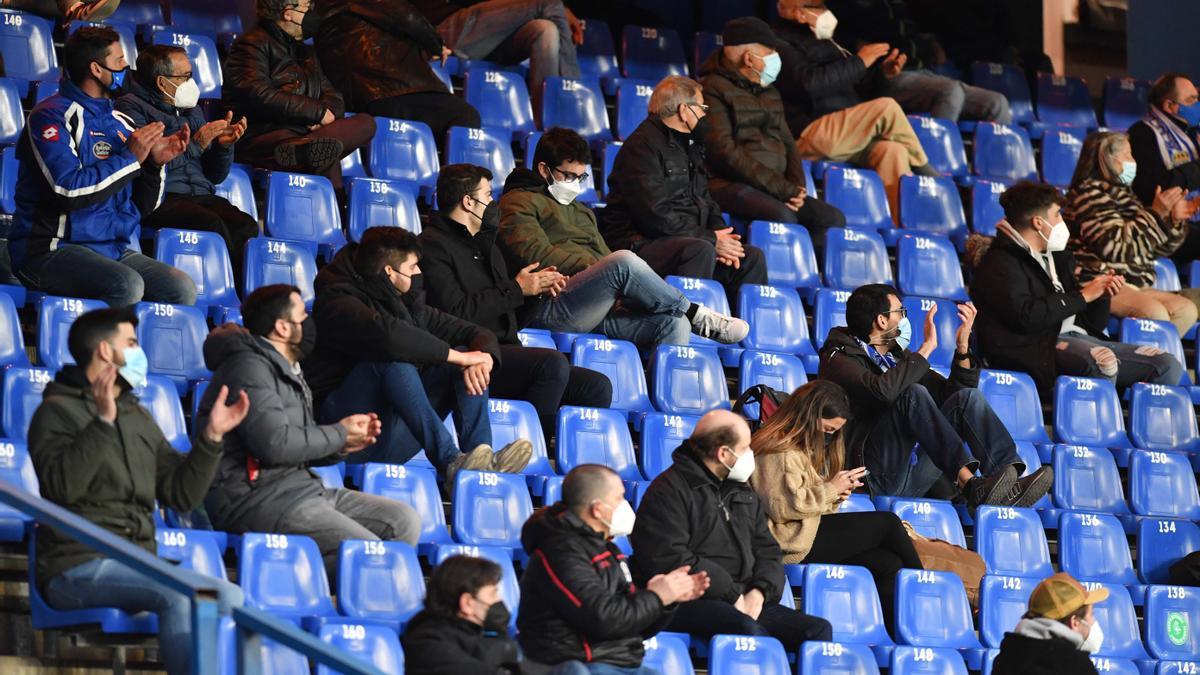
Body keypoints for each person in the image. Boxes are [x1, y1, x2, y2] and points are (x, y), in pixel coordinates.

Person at [29, 308, 248, 675]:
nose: (138, 351)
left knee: (231, 595)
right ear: (103, 351)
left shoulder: (138, 417)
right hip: (76, 566)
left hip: (137, 561)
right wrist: (102, 422)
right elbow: (62, 489)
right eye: (130, 343)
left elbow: (180, 494)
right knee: (181, 593)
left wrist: (210, 438)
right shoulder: (55, 412)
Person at [198, 284, 422, 581]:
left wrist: (345, 444)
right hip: (256, 499)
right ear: (282, 327)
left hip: (300, 488)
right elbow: (274, 445)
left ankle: (367, 602)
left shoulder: (287, 367)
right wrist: (339, 434)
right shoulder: (248, 369)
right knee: (367, 553)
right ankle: (275, 581)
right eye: (303, 314)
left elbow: (296, 443)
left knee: (402, 520)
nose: (309, 321)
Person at [304, 226, 534, 483]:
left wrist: (485, 357)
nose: (419, 274)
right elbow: (389, 335)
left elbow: (475, 331)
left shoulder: (406, 303)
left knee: (467, 353)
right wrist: (459, 358)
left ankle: (479, 462)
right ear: (389, 272)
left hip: (389, 433)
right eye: (413, 267)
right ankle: (450, 461)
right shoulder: (338, 302)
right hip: (343, 435)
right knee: (393, 361)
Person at [495, 128, 751, 347]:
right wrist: (597, 271)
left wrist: (604, 278)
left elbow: (603, 255)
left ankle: (663, 401)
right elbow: (537, 255)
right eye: (568, 176)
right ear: (544, 169)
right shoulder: (517, 202)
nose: (575, 184)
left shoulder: (581, 210)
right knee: (623, 262)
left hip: (595, 306)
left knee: (674, 324)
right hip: (551, 304)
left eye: (581, 177)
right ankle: (695, 312)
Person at [420, 162, 613, 439]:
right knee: (551, 364)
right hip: (472, 356)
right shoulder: (432, 246)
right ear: (468, 202)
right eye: (487, 195)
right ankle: (532, 449)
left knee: (596, 385)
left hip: (506, 350)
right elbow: (455, 313)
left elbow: (509, 315)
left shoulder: (488, 243)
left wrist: (537, 291)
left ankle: (565, 463)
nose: (493, 202)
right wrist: (518, 289)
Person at [10, 26, 197, 308]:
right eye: (120, 61)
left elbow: (143, 207)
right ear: (97, 70)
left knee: (180, 288)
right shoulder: (50, 116)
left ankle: (137, 351)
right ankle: (106, 351)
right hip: (50, 249)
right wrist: (130, 158)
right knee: (126, 285)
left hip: (110, 248)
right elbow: (66, 189)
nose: (127, 67)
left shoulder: (121, 122)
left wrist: (154, 165)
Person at [817, 283, 1052, 506]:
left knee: (968, 398)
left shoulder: (896, 356)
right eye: (901, 312)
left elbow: (955, 398)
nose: (904, 319)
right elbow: (882, 392)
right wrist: (927, 347)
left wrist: (962, 349)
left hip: (914, 473)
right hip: (874, 477)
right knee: (912, 393)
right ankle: (970, 484)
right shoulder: (839, 356)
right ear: (881, 320)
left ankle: (1007, 481)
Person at [631, 410, 833, 652]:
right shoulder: (668, 491)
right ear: (724, 453)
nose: (751, 454)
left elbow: (768, 551)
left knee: (817, 631)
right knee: (749, 633)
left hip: (746, 598)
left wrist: (759, 592)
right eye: (746, 447)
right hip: (688, 600)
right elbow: (671, 559)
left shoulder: (742, 490)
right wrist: (731, 593)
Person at [970, 181, 1184, 394]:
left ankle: (1127, 424)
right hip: (1035, 348)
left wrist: (1101, 295)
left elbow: (1094, 325)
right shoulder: (999, 263)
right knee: (1103, 362)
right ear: (1038, 222)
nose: (1062, 222)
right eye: (1057, 215)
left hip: (1077, 339)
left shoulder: (1056, 259)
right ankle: (1095, 426)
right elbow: (1027, 317)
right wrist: (1081, 296)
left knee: (1165, 364)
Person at [749, 380, 923, 627]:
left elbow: (805, 500)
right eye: (828, 430)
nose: (828, 438)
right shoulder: (777, 450)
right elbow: (782, 507)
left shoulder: (796, 449)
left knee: (887, 563)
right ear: (809, 416)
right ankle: (922, 585)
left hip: (803, 533)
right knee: (887, 523)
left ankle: (899, 632)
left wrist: (835, 496)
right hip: (788, 543)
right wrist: (831, 489)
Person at [520, 464, 710, 673]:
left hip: (616, 660)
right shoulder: (560, 552)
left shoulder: (608, 549)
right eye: (619, 499)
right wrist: (656, 597)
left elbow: (633, 626)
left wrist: (666, 600)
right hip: (579, 662)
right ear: (597, 509)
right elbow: (601, 619)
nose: (625, 505)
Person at [602, 76, 768, 309]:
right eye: (701, 108)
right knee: (698, 251)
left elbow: (706, 199)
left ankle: (736, 334)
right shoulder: (641, 147)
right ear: (684, 110)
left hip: (685, 240)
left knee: (750, 258)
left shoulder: (690, 145)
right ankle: (687, 333)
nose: (704, 115)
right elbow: (654, 215)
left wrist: (722, 235)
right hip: (639, 243)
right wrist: (710, 240)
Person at [770, 0, 944, 218]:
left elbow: (859, 93)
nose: (826, 13)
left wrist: (883, 75)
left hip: (846, 134)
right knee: (886, 108)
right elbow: (808, 84)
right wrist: (860, 61)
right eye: (819, 8)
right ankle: (930, 176)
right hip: (809, 133)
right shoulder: (779, 42)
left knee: (893, 151)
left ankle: (901, 226)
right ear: (799, 14)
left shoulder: (829, 43)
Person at [117, 45, 257, 287]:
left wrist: (223, 146)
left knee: (245, 226)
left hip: (201, 195)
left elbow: (214, 176)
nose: (191, 83)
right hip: (161, 198)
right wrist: (197, 144)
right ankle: (226, 289)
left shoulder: (194, 110)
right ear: (162, 82)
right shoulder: (130, 107)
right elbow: (148, 165)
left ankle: (248, 294)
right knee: (212, 225)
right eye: (185, 77)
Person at [698, 17, 845, 246]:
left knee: (832, 219)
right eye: (770, 52)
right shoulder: (711, 89)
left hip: (775, 188)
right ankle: (766, 278)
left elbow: (788, 142)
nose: (776, 58)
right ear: (749, 58)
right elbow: (723, 151)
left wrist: (796, 188)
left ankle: (808, 274)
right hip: (727, 184)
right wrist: (781, 189)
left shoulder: (770, 92)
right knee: (783, 217)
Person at [223, 0, 376, 193]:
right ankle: (336, 215)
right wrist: (317, 113)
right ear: (288, 13)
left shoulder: (306, 52)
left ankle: (305, 149)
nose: (312, 13)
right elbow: (257, 93)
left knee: (366, 122)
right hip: (263, 134)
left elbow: (332, 94)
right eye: (307, 8)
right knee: (326, 154)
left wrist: (324, 115)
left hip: (306, 133)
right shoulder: (250, 44)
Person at [1063, 131, 1200, 337]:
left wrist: (1172, 221)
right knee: (1155, 314)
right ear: (1107, 160)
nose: (1133, 162)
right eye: (1127, 155)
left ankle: (1156, 362)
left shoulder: (1126, 195)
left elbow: (1153, 250)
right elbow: (1114, 249)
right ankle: (1139, 364)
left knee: (1186, 310)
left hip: (1135, 282)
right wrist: (1155, 214)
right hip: (1102, 281)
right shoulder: (1089, 194)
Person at [312, 0, 481, 139]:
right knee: (466, 116)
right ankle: (451, 178)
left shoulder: (323, 7)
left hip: (359, 93)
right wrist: (437, 44)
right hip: (388, 86)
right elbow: (406, 16)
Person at [404, 555, 586, 675]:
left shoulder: (481, 632)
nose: (499, 600)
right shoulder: (427, 640)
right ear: (467, 602)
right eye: (493, 594)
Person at [412, 0, 582, 113]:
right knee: (549, 3)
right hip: (448, 30)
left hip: (492, 37)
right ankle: (571, 99)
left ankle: (545, 120)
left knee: (546, 30)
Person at [1128, 72, 1200, 266]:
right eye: (1192, 100)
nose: (1198, 105)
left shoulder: (1193, 135)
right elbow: (1159, 185)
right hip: (1169, 226)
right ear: (1170, 106)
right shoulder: (1142, 134)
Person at [992, 572, 1107, 675]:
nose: (1094, 621)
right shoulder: (1075, 665)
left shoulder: (1007, 655)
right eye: (1091, 614)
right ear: (1075, 622)